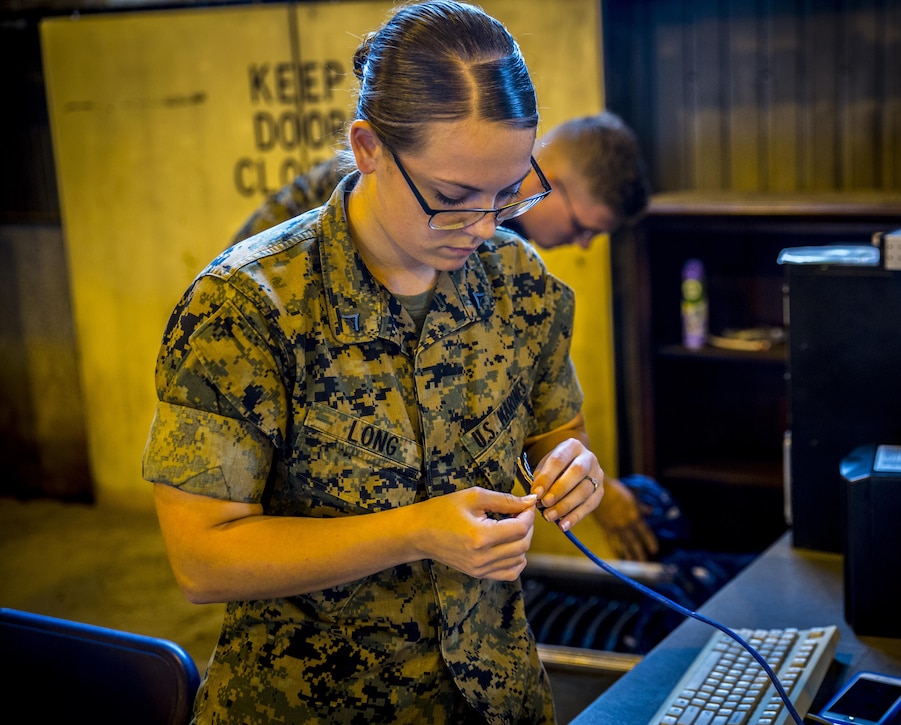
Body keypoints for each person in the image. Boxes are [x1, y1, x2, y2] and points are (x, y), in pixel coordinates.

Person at [143, 2, 606, 722]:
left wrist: (576, 468)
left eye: (508, 193)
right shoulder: (248, 306)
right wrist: (415, 530)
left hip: (493, 698)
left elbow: (557, 434)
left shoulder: (519, 282)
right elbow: (202, 559)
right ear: (369, 148)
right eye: (452, 198)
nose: (483, 228)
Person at [232, 112, 661, 561]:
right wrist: (413, 533)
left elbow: (525, 408)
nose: (585, 244)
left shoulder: (508, 263)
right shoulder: (342, 214)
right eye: (583, 227)